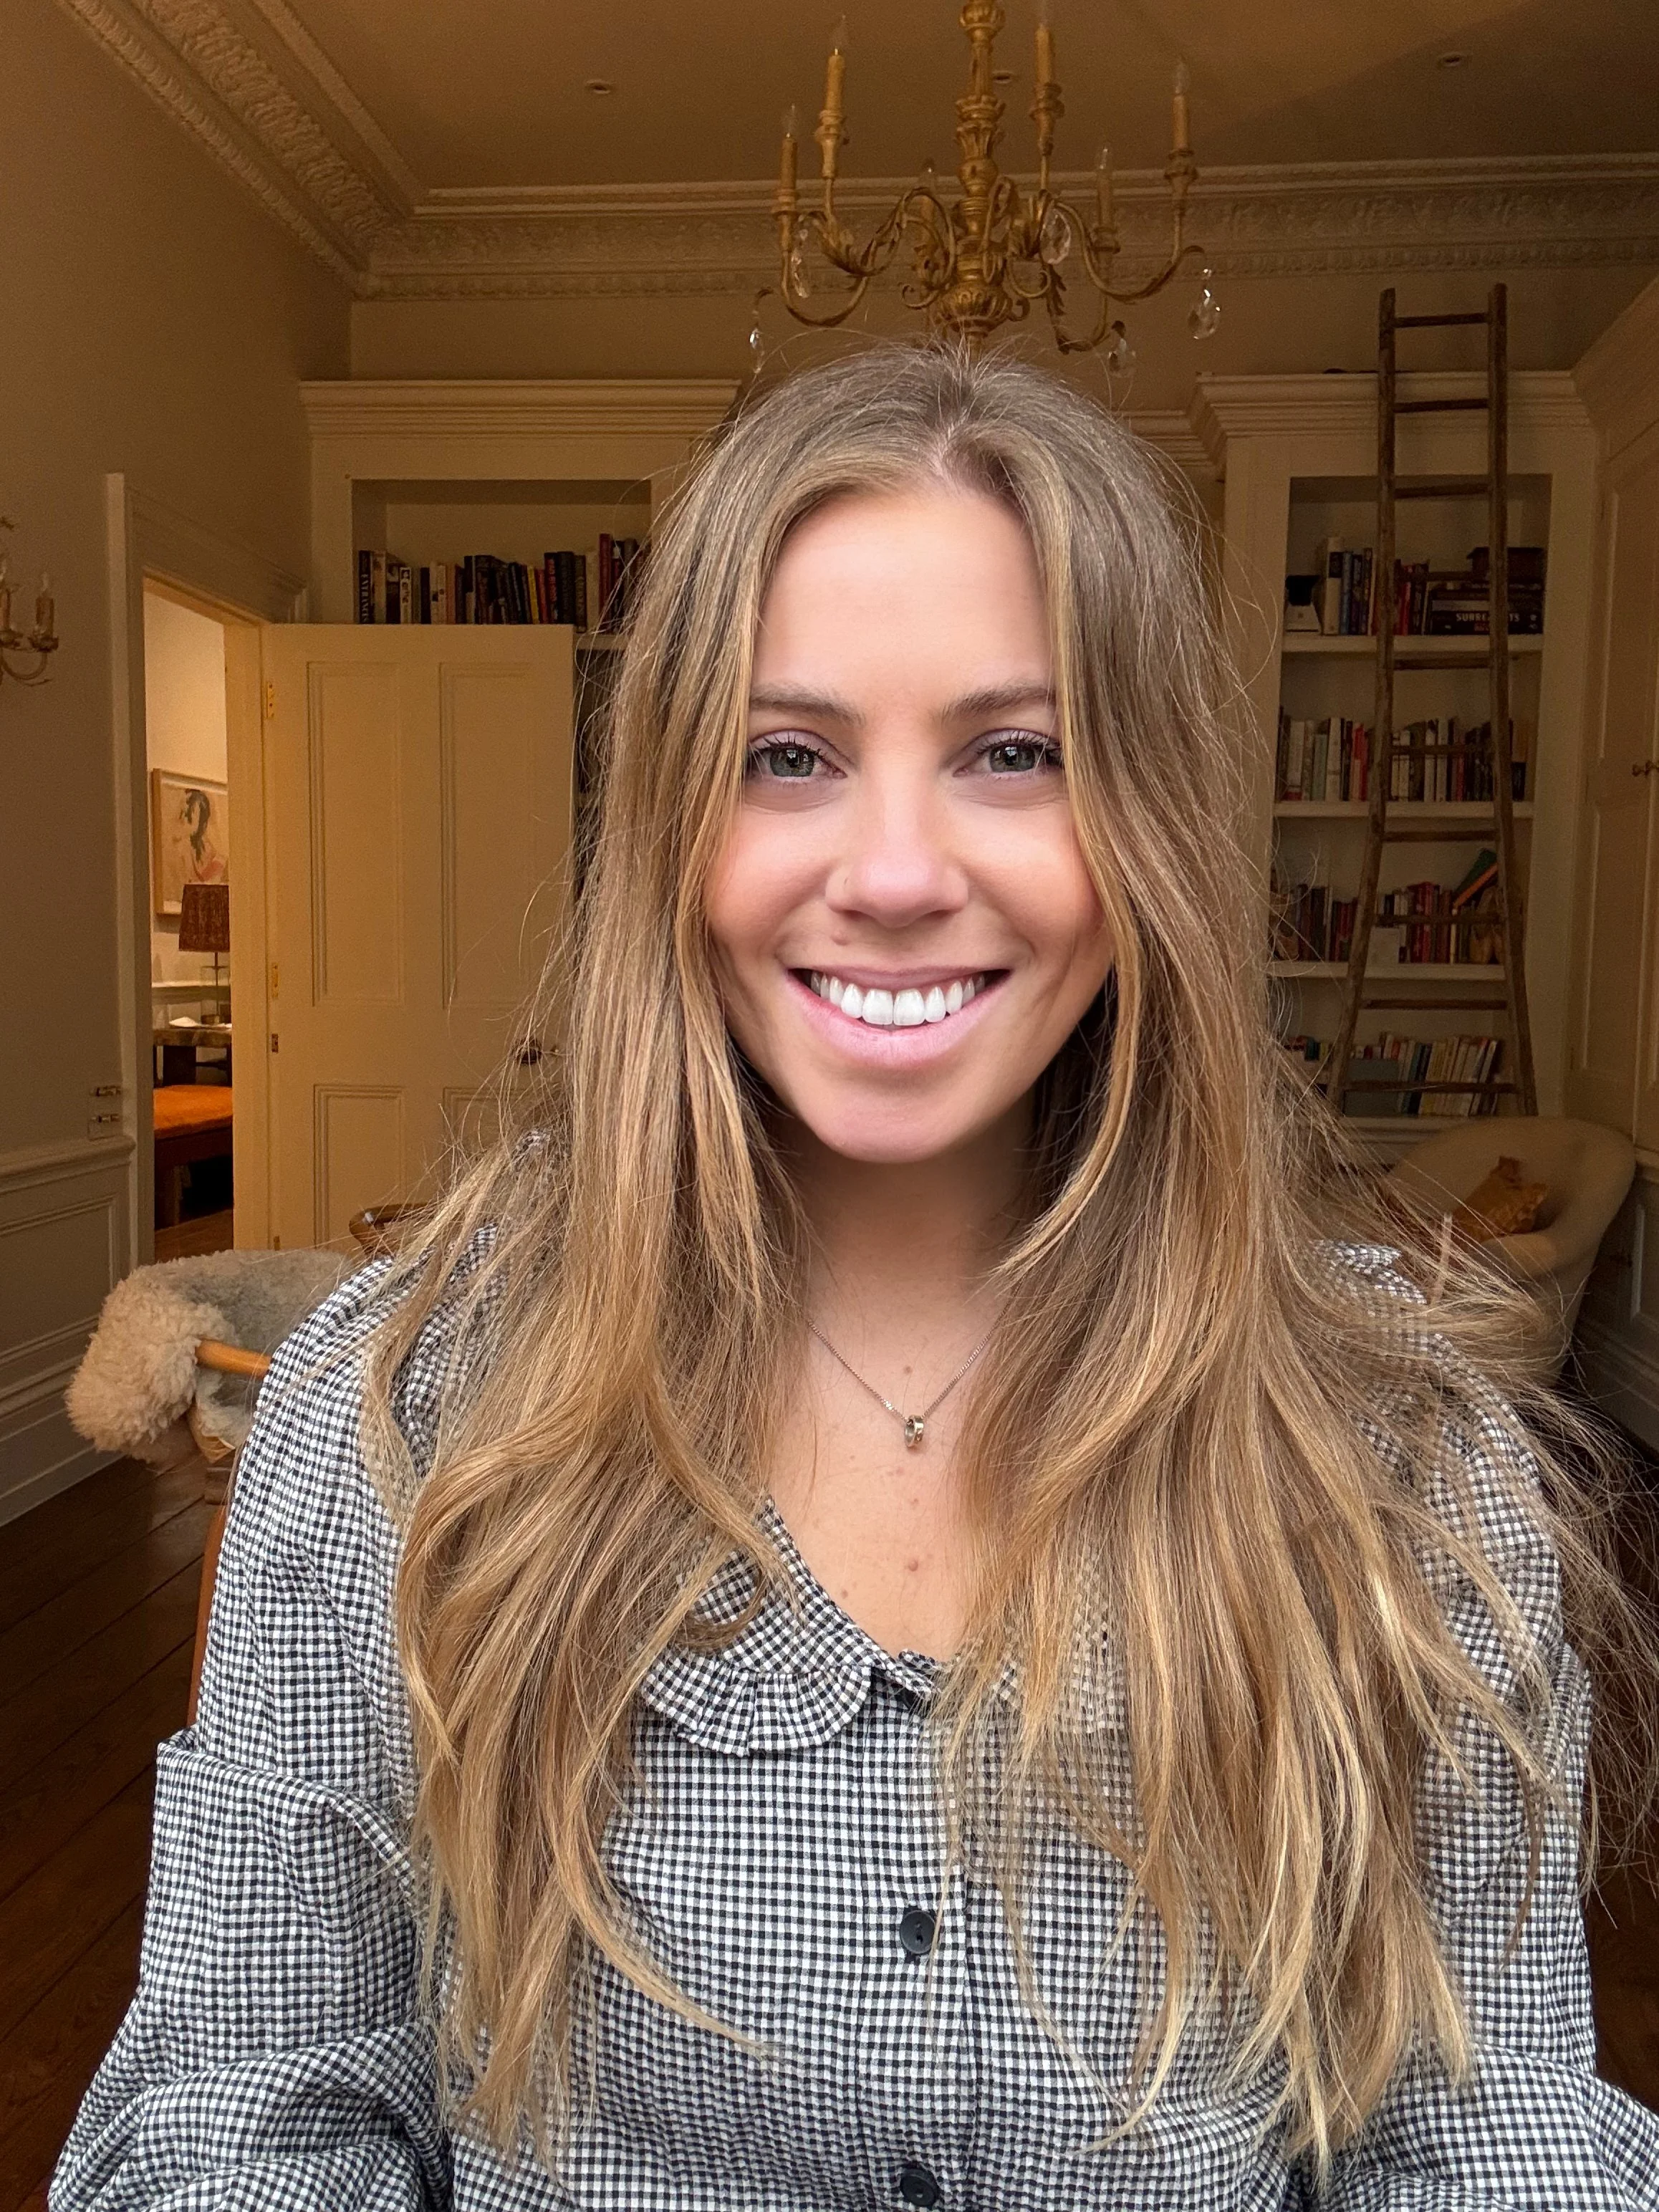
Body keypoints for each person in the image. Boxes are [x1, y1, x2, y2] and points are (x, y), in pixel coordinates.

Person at [55, 346, 1659, 2209]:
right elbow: (245, 2112)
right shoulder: (400, 1406)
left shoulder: (1396, 1442)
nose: (893, 872)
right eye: (787, 757)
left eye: (1012, 751)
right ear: (671, 830)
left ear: (1141, 826)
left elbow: (1486, 2128)